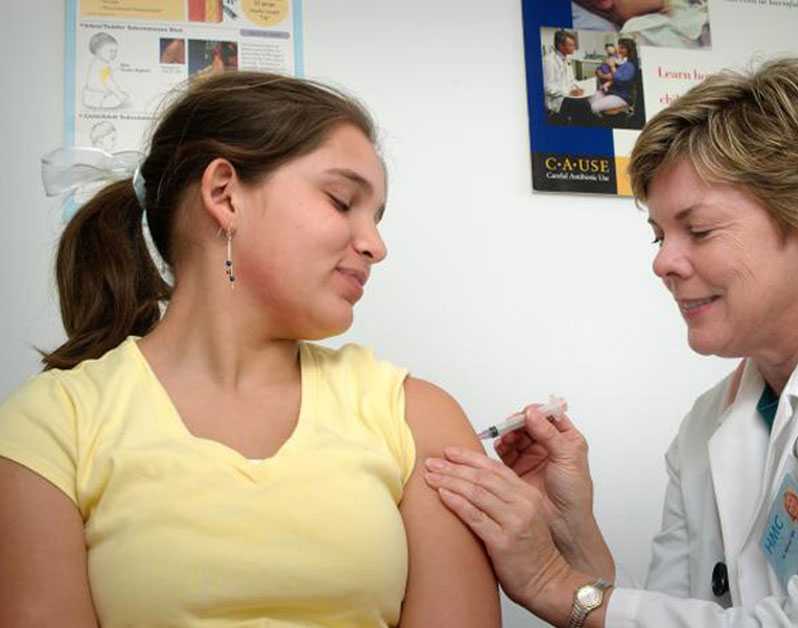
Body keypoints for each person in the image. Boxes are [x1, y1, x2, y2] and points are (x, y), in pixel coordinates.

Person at [424, 57, 798, 627]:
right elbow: (682, 614)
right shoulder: (707, 423)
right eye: (660, 234)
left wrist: (548, 583)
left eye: (700, 230)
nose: (662, 261)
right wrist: (570, 529)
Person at [0, 72, 501, 627]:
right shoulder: (51, 423)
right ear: (224, 194)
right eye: (342, 202)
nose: (376, 246)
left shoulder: (418, 418)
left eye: (377, 219)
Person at [543, 30, 594, 126]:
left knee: (587, 99)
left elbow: (571, 80)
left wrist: (579, 86)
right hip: (557, 100)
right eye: (571, 45)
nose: (574, 48)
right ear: (561, 46)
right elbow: (547, 88)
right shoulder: (548, 61)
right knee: (583, 105)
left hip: (568, 95)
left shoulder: (567, 59)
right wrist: (568, 92)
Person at [590, 39, 638, 115]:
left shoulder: (630, 66)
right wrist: (601, 72)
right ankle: (599, 120)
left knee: (594, 107)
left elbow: (619, 79)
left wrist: (612, 67)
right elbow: (602, 69)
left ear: (629, 50)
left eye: (622, 48)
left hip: (622, 96)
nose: (619, 50)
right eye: (619, 47)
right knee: (591, 99)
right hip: (611, 92)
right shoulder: (620, 60)